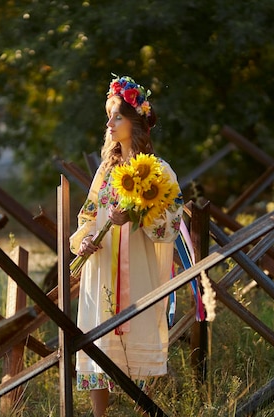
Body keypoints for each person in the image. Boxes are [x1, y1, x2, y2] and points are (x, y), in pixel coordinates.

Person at [70, 75, 183, 416]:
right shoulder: (106, 172)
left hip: (140, 272)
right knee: (98, 341)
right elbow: (88, 214)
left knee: (138, 341)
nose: (109, 123)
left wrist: (136, 217)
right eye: (109, 115)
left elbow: (171, 226)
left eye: (117, 116)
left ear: (136, 122)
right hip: (102, 269)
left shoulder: (159, 172)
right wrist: (87, 239)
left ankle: (141, 409)